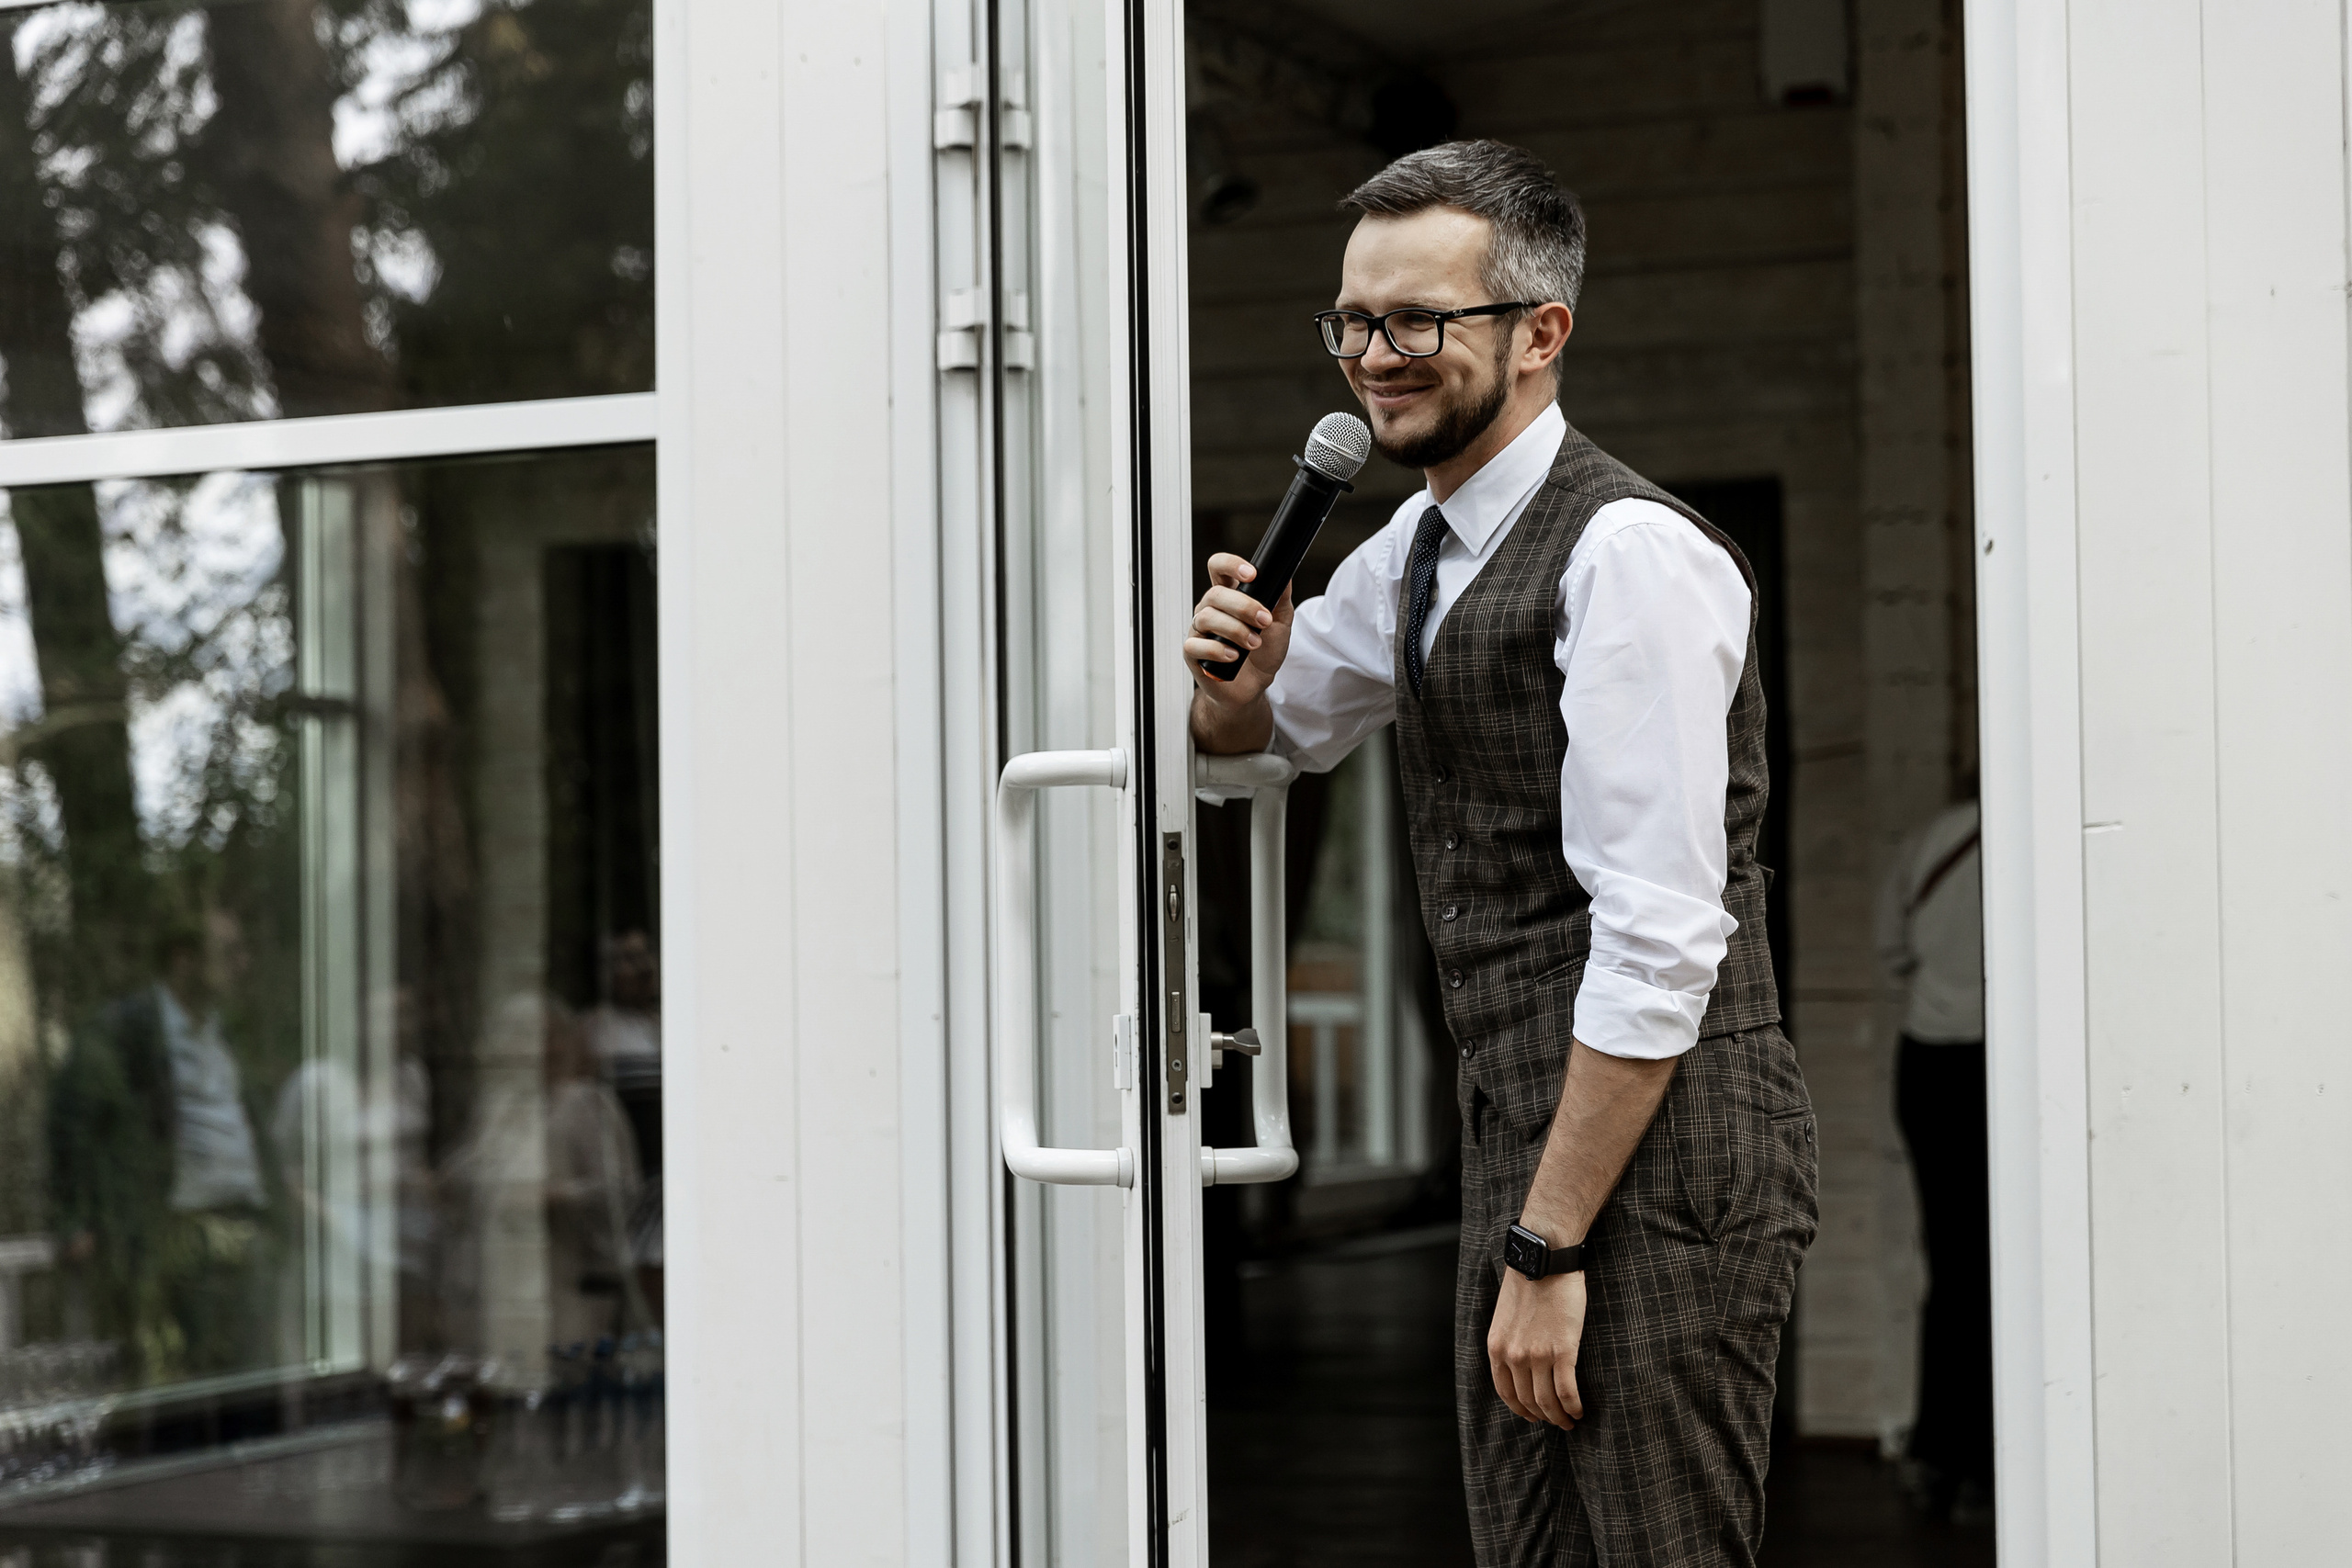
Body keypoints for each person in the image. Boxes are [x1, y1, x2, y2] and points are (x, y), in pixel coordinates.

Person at [1185, 140, 1817, 1565]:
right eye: (1354, 319)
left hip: (1658, 1154)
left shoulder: (1630, 556)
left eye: (1419, 319)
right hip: (1529, 1150)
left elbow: (1662, 932)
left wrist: (1548, 1243)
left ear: (1541, 335)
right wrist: (1230, 691)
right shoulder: (1415, 544)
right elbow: (1266, 738)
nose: (1375, 355)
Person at [50, 908, 274, 1383]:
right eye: (228, 952)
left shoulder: (225, 1034)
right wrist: (76, 1218)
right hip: (176, 1241)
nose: (244, 963)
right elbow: (74, 1118)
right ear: (183, 959)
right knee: (178, 1395)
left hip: (248, 1235)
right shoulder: (128, 1030)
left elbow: (251, 1128)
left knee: (253, 1391)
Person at [1875, 794, 1989, 1519]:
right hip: (1993, 1065)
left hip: (1926, 1063)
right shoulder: (2031, 838)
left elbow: (1894, 949)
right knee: (1993, 1267)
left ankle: (1940, 1455)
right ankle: (1980, 1461)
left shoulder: (1932, 833)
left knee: (1950, 1263)